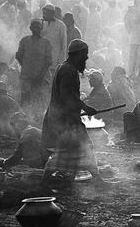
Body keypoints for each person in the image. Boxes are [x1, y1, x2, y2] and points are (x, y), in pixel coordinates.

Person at [41, 39, 105, 186]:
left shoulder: (62, 67)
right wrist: (86, 108)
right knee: (81, 147)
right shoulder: (68, 71)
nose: (87, 58)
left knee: (72, 149)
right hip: (66, 120)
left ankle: (50, 181)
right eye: (86, 54)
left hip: (62, 118)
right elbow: (67, 97)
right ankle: (97, 180)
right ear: (78, 54)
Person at [16, 18, 52, 110]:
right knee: (25, 99)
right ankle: (24, 119)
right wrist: (25, 67)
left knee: (40, 101)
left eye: (38, 27)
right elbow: (19, 56)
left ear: (41, 28)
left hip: (42, 77)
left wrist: (41, 75)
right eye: (34, 27)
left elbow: (48, 61)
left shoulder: (46, 42)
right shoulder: (24, 41)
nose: (36, 29)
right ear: (30, 28)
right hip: (27, 76)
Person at [41, 4, 67, 70]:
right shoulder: (42, 24)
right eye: (43, 13)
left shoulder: (61, 25)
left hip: (55, 59)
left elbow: (63, 44)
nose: (44, 15)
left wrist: (61, 61)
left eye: (45, 13)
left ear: (51, 13)